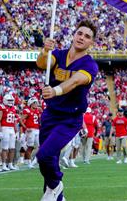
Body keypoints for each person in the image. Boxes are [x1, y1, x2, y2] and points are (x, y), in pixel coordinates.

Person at [35, 19, 99, 201]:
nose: (82, 38)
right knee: (49, 161)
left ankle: (56, 185)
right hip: (50, 114)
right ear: (74, 35)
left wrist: (55, 90)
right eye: (79, 33)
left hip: (70, 118)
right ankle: (58, 196)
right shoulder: (59, 54)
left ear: (91, 43)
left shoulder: (90, 65)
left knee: (44, 155)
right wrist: (45, 50)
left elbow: (76, 81)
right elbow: (41, 64)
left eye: (87, 36)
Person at [0, 94, 19, 171]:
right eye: (9, 100)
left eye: (11, 100)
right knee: (5, 148)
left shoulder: (13, 108)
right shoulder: (1, 107)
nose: (10, 102)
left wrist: (17, 131)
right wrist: (0, 131)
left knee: (12, 148)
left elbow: (15, 121)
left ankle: (10, 164)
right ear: (5, 100)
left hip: (12, 129)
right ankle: (3, 165)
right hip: (4, 128)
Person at [21, 97, 42, 168]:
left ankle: (35, 160)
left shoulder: (38, 110)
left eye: (36, 102)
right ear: (30, 103)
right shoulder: (27, 110)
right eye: (34, 103)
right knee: (30, 147)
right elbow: (21, 120)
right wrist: (26, 128)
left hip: (37, 129)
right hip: (31, 130)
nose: (36, 104)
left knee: (40, 146)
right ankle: (29, 163)